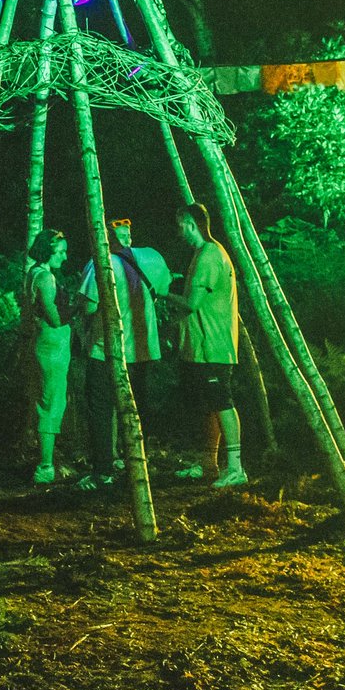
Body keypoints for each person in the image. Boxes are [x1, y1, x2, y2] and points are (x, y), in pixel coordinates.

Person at [73, 217, 176, 488]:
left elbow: (89, 307)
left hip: (107, 350)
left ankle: (103, 469)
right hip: (142, 349)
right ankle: (135, 460)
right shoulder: (151, 257)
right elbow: (164, 289)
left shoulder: (100, 263)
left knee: (101, 409)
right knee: (135, 407)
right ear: (129, 236)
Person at [170, 200, 246, 488]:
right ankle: (208, 463)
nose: (180, 233)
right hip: (201, 347)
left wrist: (162, 291)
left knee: (222, 402)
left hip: (214, 345)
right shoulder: (203, 254)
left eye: (181, 227)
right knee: (208, 405)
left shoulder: (209, 256)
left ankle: (236, 467)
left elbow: (191, 303)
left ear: (191, 224)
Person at [23, 229, 74, 485]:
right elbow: (54, 317)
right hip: (51, 347)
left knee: (47, 400)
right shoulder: (45, 278)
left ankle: (49, 461)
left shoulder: (34, 273)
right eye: (61, 251)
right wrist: (76, 310)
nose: (65, 257)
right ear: (48, 250)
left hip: (44, 345)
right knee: (50, 403)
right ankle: (45, 466)